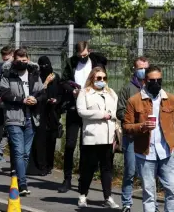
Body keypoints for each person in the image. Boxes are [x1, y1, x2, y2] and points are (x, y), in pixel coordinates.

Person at [124, 65, 174, 212]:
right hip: (145, 153)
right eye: (152, 80)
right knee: (148, 193)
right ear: (145, 81)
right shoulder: (134, 101)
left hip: (167, 152)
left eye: (159, 80)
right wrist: (142, 126)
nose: (156, 84)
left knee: (172, 189)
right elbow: (127, 126)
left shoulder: (171, 99)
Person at [58, 41, 107, 193]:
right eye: (80, 55)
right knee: (70, 145)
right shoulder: (71, 62)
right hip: (74, 106)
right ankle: (67, 178)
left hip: (90, 107)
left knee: (85, 146)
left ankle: (82, 180)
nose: (82, 57)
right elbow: (64, 81)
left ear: (89, 51)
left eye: (85, 54)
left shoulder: (95, 61)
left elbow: (103, 70)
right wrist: (71, 90)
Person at [0, 48, 48, 196]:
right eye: (19, 61)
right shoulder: (8, 74)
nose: (22, 63)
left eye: (24, 60)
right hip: (14, 117)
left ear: (28, 59)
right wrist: (22, 100)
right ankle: (22, 183)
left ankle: (19, 176)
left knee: (26, 153)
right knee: (19, 151)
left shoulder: (34, 73)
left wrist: (36, 99)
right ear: (14, 60)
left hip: (31, 117)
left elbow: (42, 93)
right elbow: (4, 93)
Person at [76, 67, 119, 208]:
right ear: (92, 78)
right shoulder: (85, 93)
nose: (102, 81)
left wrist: (111, 117)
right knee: (89, 167)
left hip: (108, 136)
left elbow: (115, 111)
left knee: (107, 169)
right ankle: (83, 195)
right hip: (92, 136)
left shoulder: (111, 93)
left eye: (104, 78)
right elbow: (81, 111)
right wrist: (101, 114)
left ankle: (108, 197)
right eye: (98, 78)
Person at [117, 57, 152, 212]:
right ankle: (126, 203)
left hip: (149, 137)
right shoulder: (128, 89)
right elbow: (120, 111)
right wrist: (136, 120)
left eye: (145, 68)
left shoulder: (153, 88)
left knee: (148, 173)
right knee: (130, 171)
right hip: (131, 137)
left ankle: (151, 205)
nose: (142, 71)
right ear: (134, 69)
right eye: (140, 68)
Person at [27, 56, 63, 176]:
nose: (44, 68)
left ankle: (49, 165)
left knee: (51, 140)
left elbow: (60, 93)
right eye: (42, 66)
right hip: (40, 112)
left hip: (52, 113)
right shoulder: (38, 77)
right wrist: (46, 83)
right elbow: (37, 92)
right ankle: (41, 165)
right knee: (40, 140)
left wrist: (56, 101)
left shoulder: (55, 77)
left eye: (46, 66)